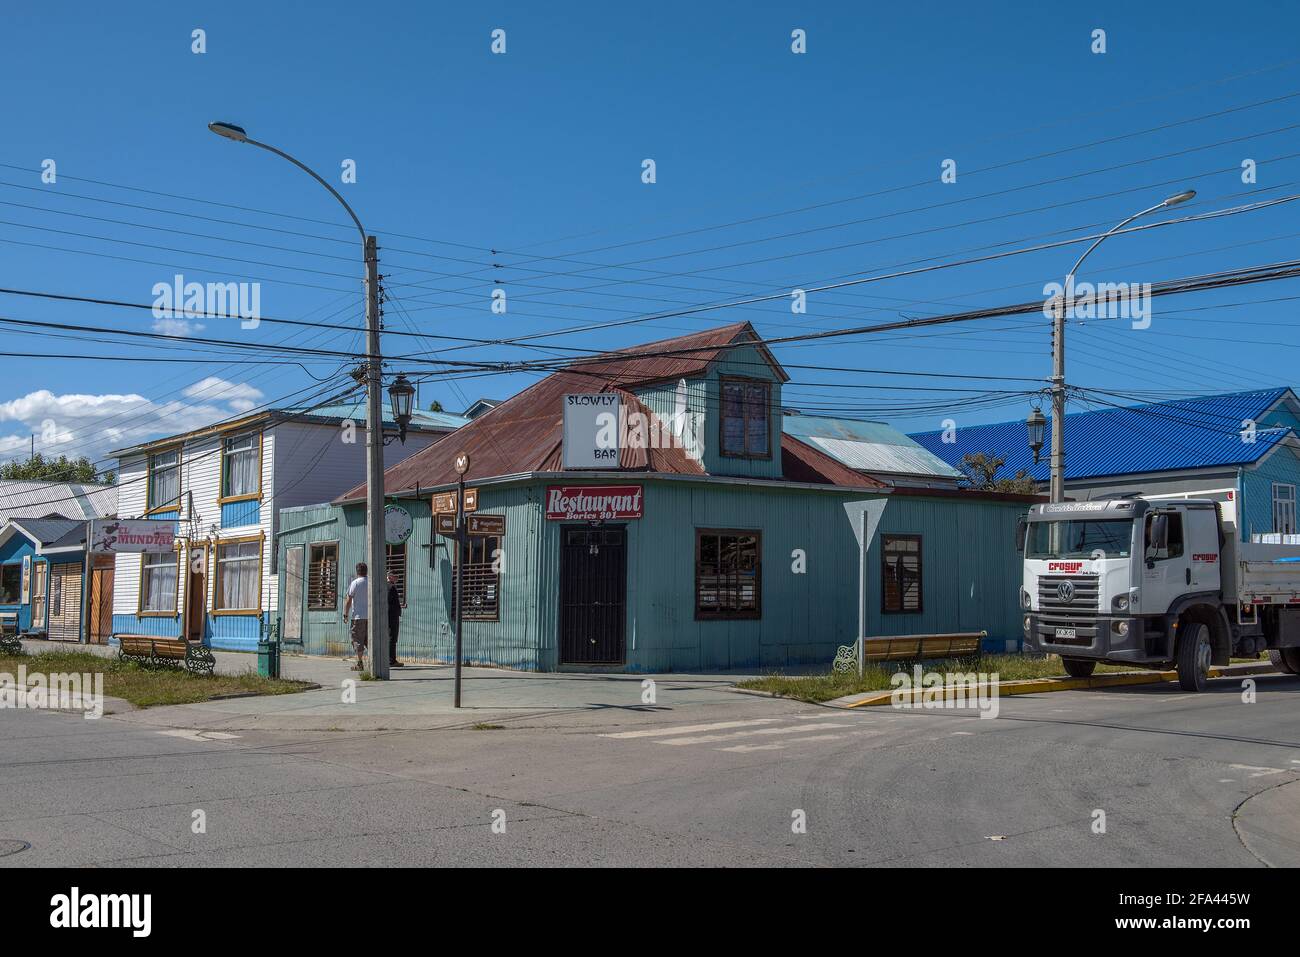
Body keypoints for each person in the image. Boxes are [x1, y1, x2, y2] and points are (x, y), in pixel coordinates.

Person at [342, 562, 368, 671]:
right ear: (366, 571)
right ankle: (374, 662)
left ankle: (360, 663)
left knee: (357, 639)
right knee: (369, 640)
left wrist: (345, 614)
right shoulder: (371, 582)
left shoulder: (355, 583)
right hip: (370, 617)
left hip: (358, 617)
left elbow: (349, 600)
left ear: (357, 571)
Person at [387, 571, 404, 668]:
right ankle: (391, 660)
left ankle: (390, 659)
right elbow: (391, 602)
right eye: (395, 577)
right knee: (392, 637)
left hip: (389, 615)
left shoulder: (386, 586)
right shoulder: (391, 587)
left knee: (390, 637)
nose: (397, 579)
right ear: (390, 577)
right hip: (392, 616)